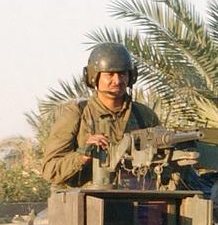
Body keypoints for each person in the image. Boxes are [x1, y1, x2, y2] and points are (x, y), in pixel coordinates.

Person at [40, 42, 160, 188]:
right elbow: (50, 170)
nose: (117, 80)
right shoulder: (77, 114)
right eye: (110, 74)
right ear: (93, 76)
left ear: (131, 76)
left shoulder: (144, 116)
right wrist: (82, 156)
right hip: (87, 198)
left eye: (122, 74)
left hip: (137, 198)